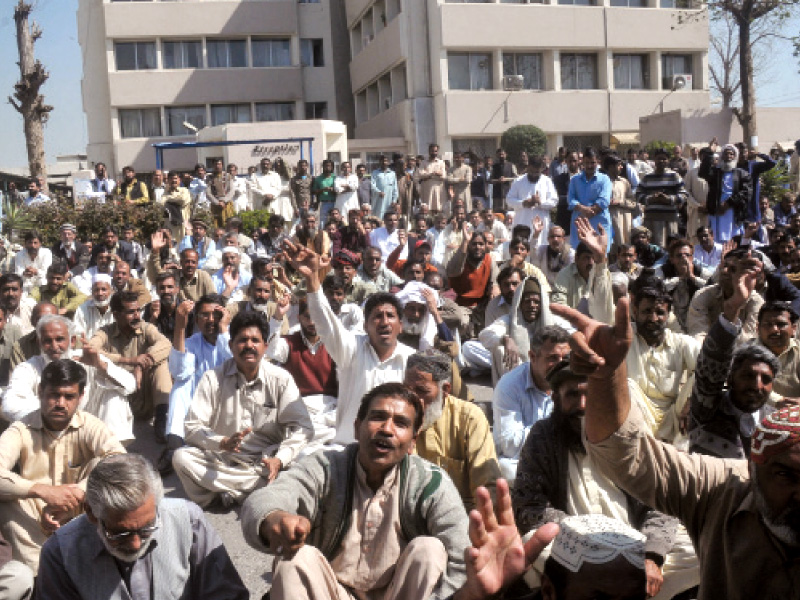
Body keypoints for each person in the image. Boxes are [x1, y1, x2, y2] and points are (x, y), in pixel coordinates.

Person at [551, 270, 800, 600]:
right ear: (754, 470)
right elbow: (630, 457)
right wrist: (605, 377)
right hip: (674, 474)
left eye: (765, 380)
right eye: (786, 476)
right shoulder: (725, 485)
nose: (756, 386)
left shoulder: (775, 413)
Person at [241, 382, 472, 599]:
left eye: (400, 423)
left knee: (429, 551)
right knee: (295, 559)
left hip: (400, 593)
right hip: (332, 592)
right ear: (356, 427)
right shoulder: (326, 467)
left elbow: (463, 559)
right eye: (378, 417)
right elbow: (266, 499)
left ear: (413, 441)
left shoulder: (429, 482)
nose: (387, 429)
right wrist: (274, 518)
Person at [513, 362, 696, 600]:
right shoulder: (542, 436)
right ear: (556, 398)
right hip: (575, 543)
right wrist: (588, 537)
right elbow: (529, 508)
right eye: (572, 395)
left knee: (698, 546)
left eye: (588, 394)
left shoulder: (629, 436)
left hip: (635, 543)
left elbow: (662, 502)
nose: (582, 405)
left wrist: (652, 556)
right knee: (534, 542)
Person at [36, 453, 249, 600]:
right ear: (91, 513)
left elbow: (226, 594)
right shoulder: (60, 553)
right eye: (120, 532)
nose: (136, 543)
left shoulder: (188, 521)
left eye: (147, 528)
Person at [172, 311, 313, 508]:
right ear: (231, 346)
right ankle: (251, 493)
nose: (249, 346)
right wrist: (222, 442)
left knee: (298, 465)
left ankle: (225, 494)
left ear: (265, 346)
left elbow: (303, 427)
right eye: (242, 340)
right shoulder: (213, 378)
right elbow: (192, 427)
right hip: (222, 459)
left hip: (264, 462)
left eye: (255, 340)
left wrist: (279, 460)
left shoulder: (281, 379)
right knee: (181, 458)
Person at [285, 239, 416, 447]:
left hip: (395, 450)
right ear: (365, 326)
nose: (384, 322)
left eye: (390, 316)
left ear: (401, 325)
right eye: (377, 316)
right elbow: (325, 323)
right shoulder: (352, 349)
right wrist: (312, 278)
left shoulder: (411, 359)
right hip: (348, 448)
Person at [0, 359, 125, 572]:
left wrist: (75, 494)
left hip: (80, 514)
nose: (60, 403)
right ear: (40, 392)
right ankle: (38, 574)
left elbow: (120, 460)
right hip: (34, 519)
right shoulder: (21, 429)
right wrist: (43, 491)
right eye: (53, 395)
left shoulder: (90, 425)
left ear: (81, 397)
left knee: (104, 467)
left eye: (69, 397)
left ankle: (91, 564)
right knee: (7, 498)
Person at [404, 350, 500, 510]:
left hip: (461, 515)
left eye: (422, 391)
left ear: (445, 390)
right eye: (407, 389)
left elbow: (487, 483)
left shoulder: (469, 418)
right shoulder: (397, 416)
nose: (412, 398)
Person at [89, 291, 173, 441]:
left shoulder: (146, 328)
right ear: (116, 314)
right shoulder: (105, 332)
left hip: (145, 394)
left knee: (161, 365)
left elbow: (165, 344)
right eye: (130, 312)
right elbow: (92, 349)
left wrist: (141, 364)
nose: (136, 316)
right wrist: (128, 360)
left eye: (138, 311)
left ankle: (162, 418)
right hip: (120, 399)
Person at [492, 325, 571, 481]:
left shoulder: (571, 381)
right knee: (506, 469)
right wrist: (554, 430)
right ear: (532, 356)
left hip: (562, 454)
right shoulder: (509, 385)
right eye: (552, 358)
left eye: (565, 358)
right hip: (526, 459)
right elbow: (509, 446)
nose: (561, 365)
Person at [267, 298, 339, 452]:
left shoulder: (335, 346)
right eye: (307, 317)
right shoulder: (289, 343)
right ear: (299, 318)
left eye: (316, 317)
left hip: (329, 412)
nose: (312, 322)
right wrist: (278, 316)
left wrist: (324, 418)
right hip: (299, 408)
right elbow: (271, 350)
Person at [447, 228, 499, 338]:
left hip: (481, 306)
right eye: (474, 244)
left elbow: (496, 281)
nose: (478, 247)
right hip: (462, 305)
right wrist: (465, 241)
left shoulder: (489, 260)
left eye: (481, 244)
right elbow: (452, 271)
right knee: (461, 323)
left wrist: (494, 286)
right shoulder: (461, 258)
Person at [635, 148, 688, 248]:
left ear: (668, 160)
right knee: (654, 248)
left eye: (664, 159)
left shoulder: (674, 176)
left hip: (670, 219)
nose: (661, 161)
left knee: (671, 248)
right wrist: (650, 199)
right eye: (659, 159)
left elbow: (684, 194)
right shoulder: (647, 177)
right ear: (654, 160)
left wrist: (669, 199)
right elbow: (638, 195)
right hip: (652, 219)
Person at [702, 143, 752, 242]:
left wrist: (728, 203)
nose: (728, 156)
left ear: (735, 156)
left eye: (731, 154)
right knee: (715, 239)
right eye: (726, 154)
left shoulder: (742, 174)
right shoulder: (715, 173)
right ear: (722, 156)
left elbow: (746, 193)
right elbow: (703, 172)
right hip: (717, 210)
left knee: (733, 240)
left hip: (733, 211)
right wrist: (710, 152)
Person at [567, 148, 612, 252]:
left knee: (600, 257)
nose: (590, 166)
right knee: (580, 257)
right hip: (580, 225)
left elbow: (604, 199)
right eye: (587, 163)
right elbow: (571, 199)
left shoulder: (605, 179)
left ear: (598, 162)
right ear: (582, 162)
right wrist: (582, 209)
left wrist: (592, 211)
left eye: (593, 163)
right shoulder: (575, 180)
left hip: (599, 223)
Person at [506, 156, 559, 238]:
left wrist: (541, 203)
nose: (534, 175)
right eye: (531, 172)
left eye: (537, 172)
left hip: (541, 224)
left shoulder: (547, 181)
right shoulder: (518, 181)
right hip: (522, 222)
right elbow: (509, 200)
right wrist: (523, 203)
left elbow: (554, 201)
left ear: (541, 169)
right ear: (528, 167)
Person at [73, 273, 115, 339]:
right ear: (92, 292)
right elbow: (78, 334)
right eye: (96, 290)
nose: (100, 293)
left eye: (104, 289)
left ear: (111, 291)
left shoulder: (117, 309)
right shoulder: (83, 309)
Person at [161, 171, 193, 241]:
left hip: (184, 225)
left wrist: (168, 199)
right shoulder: (165, 192)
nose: (174, 180)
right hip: (171, 226)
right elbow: (162, 203)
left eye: (176, 178)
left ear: (179, 180)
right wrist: (176, 199)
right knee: (173, 248)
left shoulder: (184, 190)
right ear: (168, 180)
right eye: (171, 178)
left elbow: (183, 200)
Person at [416, 143, 447, 215]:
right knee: (427, 208)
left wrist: (428, 175)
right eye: (432, 151)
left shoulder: (441, 162)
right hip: (427, 189)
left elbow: (444, 176)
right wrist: (433, 174)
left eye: (435, 151)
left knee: (438, 208)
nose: (434, 153)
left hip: (438, 188)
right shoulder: (423, 162)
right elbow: (420, 174)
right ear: (429, 151)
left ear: (437, 152)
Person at [370, 155, 398, 219]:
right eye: (382, 161)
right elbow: (372, 185)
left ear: (388, 162)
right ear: (379, 162)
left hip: (389, 201)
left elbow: (395, 189)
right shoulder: (375, 172)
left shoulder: (392, 173)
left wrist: (394, 200)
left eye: (385, 161)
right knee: (378, 217)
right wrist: (378, 192)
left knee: (388, 217)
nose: (384, 162)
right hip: (378, 200)